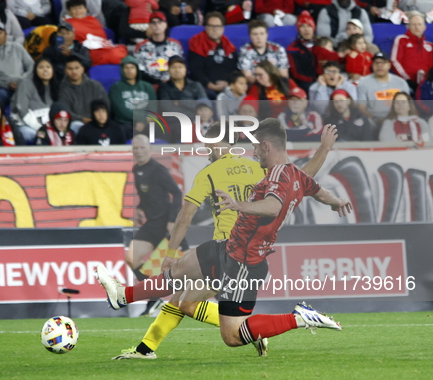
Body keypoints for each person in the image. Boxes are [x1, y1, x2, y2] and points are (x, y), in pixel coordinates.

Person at [97, 118, 352, 354]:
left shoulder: (212, 172)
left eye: (208, 147)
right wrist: (325, 154)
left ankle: (263, 328)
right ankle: (137, 329)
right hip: (229, 249)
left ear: (219, 144)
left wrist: (170, 253)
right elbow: (301, 177)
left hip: (235, 254)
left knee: (199, 309)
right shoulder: (262, 169)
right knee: (182, 295)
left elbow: (185, 216)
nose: (207, 152)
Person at [126, 134, 188, 317]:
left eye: (142, 148)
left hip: (165, 222)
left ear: (150, 150)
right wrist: (139, 209)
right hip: (152, 223)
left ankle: (222, 301)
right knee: (131, 259)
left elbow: (177, 194)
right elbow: (146, 195)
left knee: (188, 266)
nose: (139, 152)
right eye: (135, 148)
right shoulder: (136, 169)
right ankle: (155, 297)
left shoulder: (158, 170)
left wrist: (171, 221)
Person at [0, 21, 34, 108]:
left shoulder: (17, 47)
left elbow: (31, 65)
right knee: (0, 95)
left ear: (6, 34)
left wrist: (23, 80)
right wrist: (7, 84)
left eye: (0, 32)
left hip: (23, 83)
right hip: (2, 87)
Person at [188, 11, 239, 100]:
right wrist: (210, 85)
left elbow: (235, 69)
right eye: (211, 26)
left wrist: (229, 83)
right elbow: (196, 70)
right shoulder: (197, 44)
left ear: (223, 29)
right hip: (205, 87)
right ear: (206, 28)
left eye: (218, 26)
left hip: (229, 87)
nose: (215, 29)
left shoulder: (229, 46)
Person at [158, 55, 207, 143]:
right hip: (175, 123)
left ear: (185, 69)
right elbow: (167, 109)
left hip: (197, 122)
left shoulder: (196, 85)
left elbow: (204, 105)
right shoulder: (164, 87)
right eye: (173, 67)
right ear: (168, 70)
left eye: (180, 67)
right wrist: (194, 111)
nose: (177, 70)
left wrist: (181, 102)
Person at [11, 57, 58, 145]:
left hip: (49, 127)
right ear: (35, 70)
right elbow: (22, 109)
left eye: (48, 67)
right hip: (27, 125)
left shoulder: (55, 87)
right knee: (34, 135)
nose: (45, 70)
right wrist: (39, 128)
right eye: (41, 67)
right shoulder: (26, 84)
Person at [64, 0, 127, 66]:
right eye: (74, 9)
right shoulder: (67, 24)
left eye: (80, 8)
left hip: (103, 46)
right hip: (86, 50)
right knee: (109, 56)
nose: (78, 11)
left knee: (121, 51)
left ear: (86, 9)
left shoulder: (93, 20)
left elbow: (101, 36)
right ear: (69, 12)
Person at [58, 55, 109, 133]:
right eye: (70, 69)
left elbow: (106, 105)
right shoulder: (62, 89)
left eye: (77, 68)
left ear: (82, 69)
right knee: (76, 125)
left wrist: (96, 118)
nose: (74, 71)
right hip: (76, 123)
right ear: (65, 71)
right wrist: (82, 120)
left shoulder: (95, 85)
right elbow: (65, 111)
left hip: (98, 120)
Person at [356, 52, 410, 124]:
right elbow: (361, 107)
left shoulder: (401, 82)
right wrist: (374, 118)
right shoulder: (364, 83)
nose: (379, 66)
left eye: (383, 63)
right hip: (373, 120)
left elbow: (407, 105)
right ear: (372, 65)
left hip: (397, 119)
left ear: (389, 65)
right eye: (376, 63)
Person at [108, 55, 156, 135]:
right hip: (125, 123)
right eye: (126, 68)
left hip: (147, 123)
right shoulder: (115, 88)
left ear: (137, 70)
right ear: (122, 70)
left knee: (162, 129)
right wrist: (142, 119)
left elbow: (153, 109)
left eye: (132, 67)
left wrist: (144, 122)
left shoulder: (148, 87)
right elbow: (121, 111)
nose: (129, 70)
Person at [133, 12, 184, 86]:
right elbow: (139, 71)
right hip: (150, 85)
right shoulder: (141, 46)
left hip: (173, 84)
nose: (156, 25)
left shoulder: (175, 45)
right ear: (149, 26)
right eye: (153, 23)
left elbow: (181, 66)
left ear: (165, 24)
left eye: (160, 22)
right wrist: (158, 83)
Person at [390, 11, 433, 91]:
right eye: (413, 24)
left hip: (426, 85)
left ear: (424, 27)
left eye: (419, 24)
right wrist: (407, 79)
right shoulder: (401, 40)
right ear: (409, 26)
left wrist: (427, 82)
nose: (417, 27)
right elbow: (395, 61)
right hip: (405, 82)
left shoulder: (430, 46)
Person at [238, 19, 289, 84]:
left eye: (262, 34)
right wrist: (263, 81)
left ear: (267, 35)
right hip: (255, 84)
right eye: (255, 34)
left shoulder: (278, 49)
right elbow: (248, 77)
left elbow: (284, 75)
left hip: (276, 84)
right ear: (250, 36)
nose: (259, 37)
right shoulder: (245, 50)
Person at [286, 11, 317, 94]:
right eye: (302, 26)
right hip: (303, 82)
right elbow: (295, 73)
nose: (306, 30)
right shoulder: (292, 48)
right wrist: (314, 80)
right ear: (298, 29)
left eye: (309, 26)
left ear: (313, 28)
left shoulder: (321, 44)